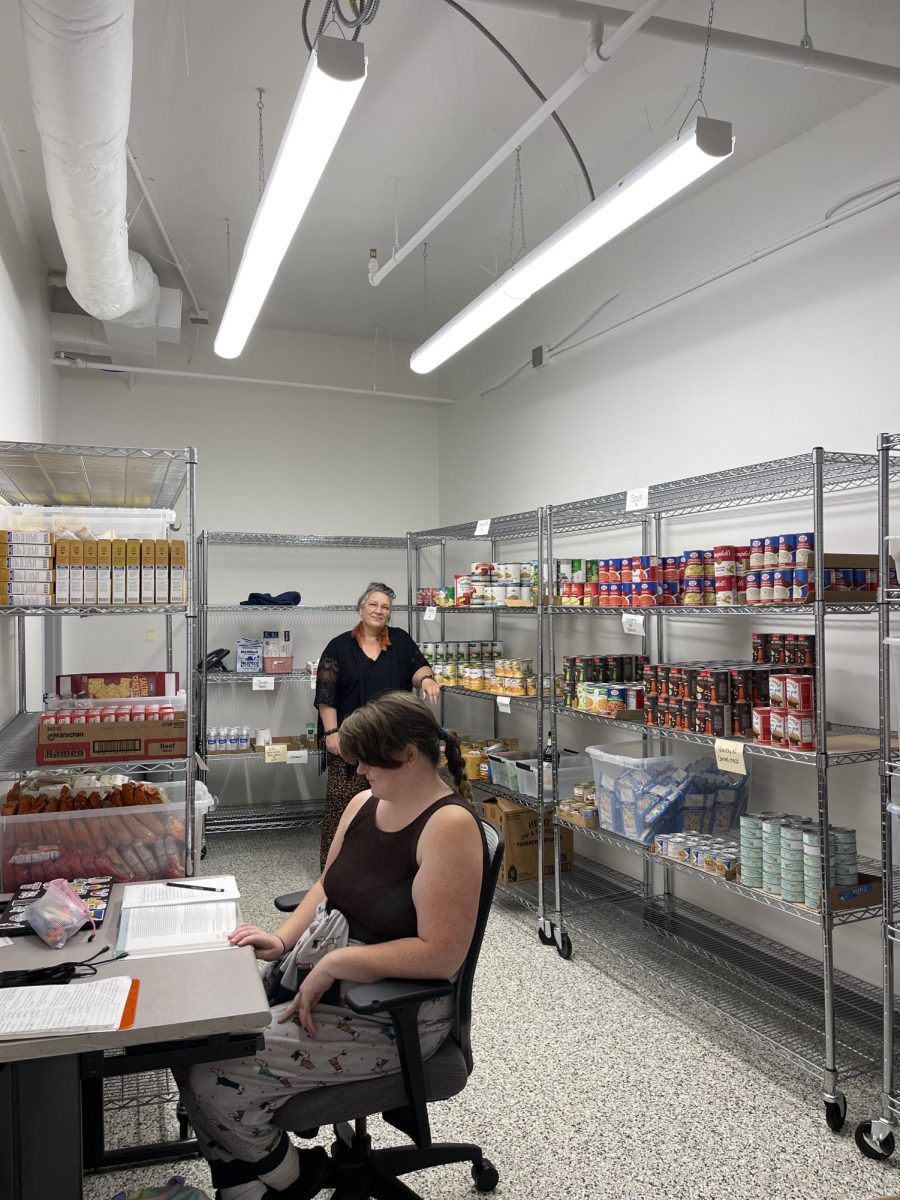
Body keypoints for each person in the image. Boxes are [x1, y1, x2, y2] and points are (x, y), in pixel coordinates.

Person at [174, 692, 488, 1200]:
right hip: (322, 976)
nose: (360, 770)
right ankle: (268, 1179)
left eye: (367, 760)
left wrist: (339, 962)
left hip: (389, 1010)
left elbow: (440, 954)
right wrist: (279, 941)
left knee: (214, 1071)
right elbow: (325, 887)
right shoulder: (366, 804)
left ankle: (285, 1176)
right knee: (191, 1030)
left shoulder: (447, 827)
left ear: (408, 755)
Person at [314, 581, 441, 868]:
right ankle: (335, 867)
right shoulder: (339, 647)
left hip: (391, 740)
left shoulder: (400, 640)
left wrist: (427, 679)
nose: (378, 610)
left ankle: (385, 866)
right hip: (349, 741)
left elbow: (418, 667)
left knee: (391, 804)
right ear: (361, 609)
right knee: (344, 805)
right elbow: (325, 694)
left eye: (385, 607)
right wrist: (332, 733)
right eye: (373, 604)